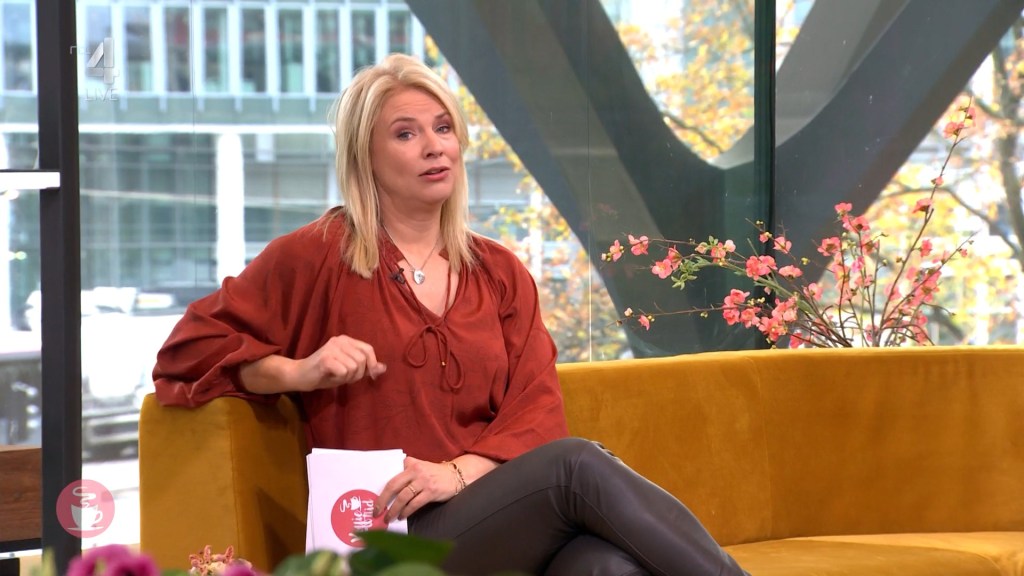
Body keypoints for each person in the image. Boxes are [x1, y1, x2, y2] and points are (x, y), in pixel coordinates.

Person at [153, 53, 749, 576]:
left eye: (443, 128)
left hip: (493, 517)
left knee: (606, 565)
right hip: (383, 533)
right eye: (406, 134)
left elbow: (538, 409)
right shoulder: (317, 255)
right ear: (366, 156)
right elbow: (191, 351)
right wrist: (298, 372)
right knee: (577, 466)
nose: (434, 146)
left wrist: (457, 473)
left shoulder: (499, 271)